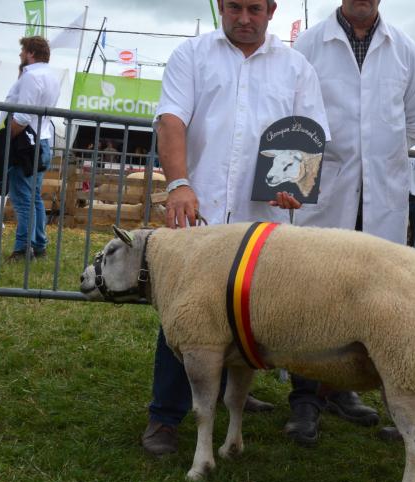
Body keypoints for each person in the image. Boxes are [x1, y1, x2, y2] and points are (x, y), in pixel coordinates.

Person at [141, 0, 330, 456]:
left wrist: (295, 187)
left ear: (271, 10)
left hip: (260, 221)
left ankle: (233, 394)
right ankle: (165, 416)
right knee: (185, 317)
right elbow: (171, 120)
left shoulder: (296, 68)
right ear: (222, 7)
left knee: (253, 313)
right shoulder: (191, 55)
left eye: (254, 9)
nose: (244, 18)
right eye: (235, 7)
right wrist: (179, 184)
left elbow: (310, 135)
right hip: (200, 213)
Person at [289, 0, 415, 445]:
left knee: (363, 299)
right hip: (328, 192)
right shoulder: (310, 44)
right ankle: (305, 399)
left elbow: (411, 123)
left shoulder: (406, 50)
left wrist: (378, 164)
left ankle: (340, 389)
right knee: (313, 298)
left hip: (380, 198)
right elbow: (297, 118)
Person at [4, 36, 62, 261]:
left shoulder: (32, 75)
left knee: (22, 199)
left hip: (26, 142)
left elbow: (22, 116)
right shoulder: (52, 76)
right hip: (42, 139)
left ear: (30, 53)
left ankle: (22, 249)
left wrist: (5, 138)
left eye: (22, 50)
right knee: (33, 197)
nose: (20, 54)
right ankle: (39, 245)